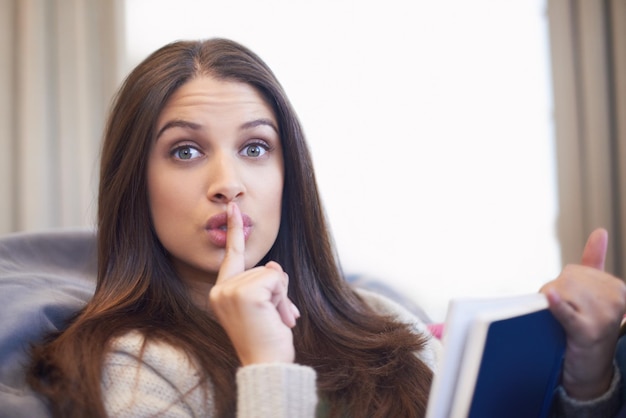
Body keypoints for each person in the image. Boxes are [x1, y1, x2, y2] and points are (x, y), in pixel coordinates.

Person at [27, 38, 626, 418]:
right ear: (134, 183)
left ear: (291, 175)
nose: (228, 182)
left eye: (256, 148)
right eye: (185, 151)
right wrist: (266, 365)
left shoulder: (383, 320)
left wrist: (588, 370)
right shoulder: (131, 367)